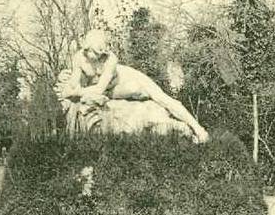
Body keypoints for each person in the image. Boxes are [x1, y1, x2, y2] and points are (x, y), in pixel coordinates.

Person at [63, 29, 209, 143]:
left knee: (163, 99)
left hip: (130, 82)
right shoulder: (79, 58)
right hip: (112, 92)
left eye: (100, 53)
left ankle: (199, 129)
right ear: (87, 48)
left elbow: (98, 89)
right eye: (94, 52)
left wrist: (78, 91)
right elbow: (70, 88)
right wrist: (74, 91)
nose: (98, 57)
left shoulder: (110, 60)